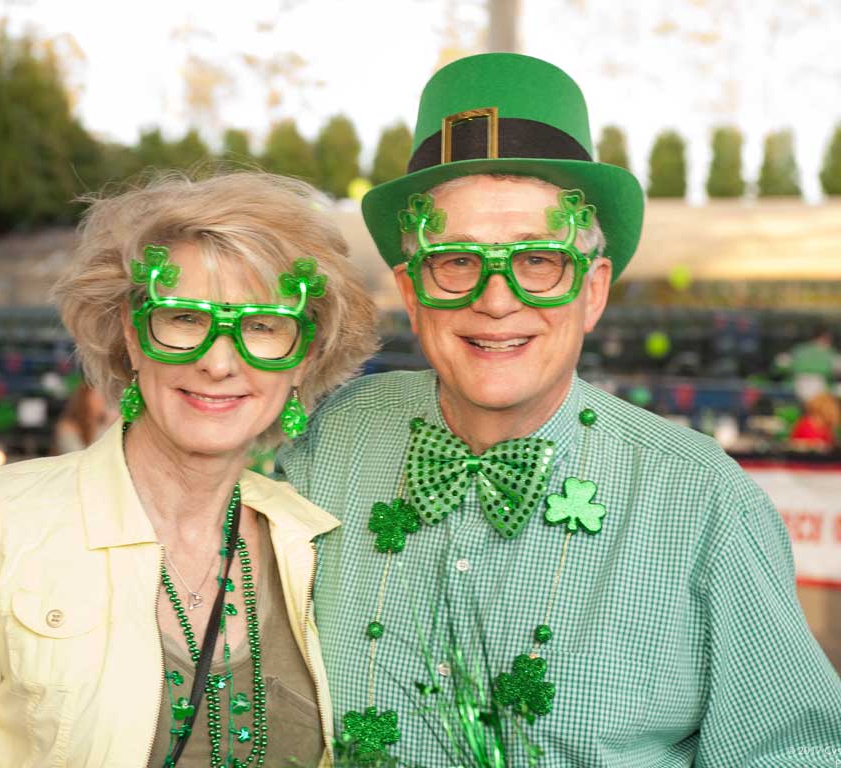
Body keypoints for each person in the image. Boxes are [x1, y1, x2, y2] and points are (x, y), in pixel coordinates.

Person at [279, 53, 841, 767]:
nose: (496, 298)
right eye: (456, 260)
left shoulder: (705, 505)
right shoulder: (328, 441)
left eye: (538, 259)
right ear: (412, 290)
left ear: (593, 290)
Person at [0, 171, 378, 767]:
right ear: (132, 336)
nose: (219, 362)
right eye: (185, 319)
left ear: (305, 358)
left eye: (263, 326)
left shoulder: (317, 543)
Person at [52, 381, 118, 453]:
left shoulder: (105, 424)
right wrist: (105, 425)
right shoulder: (67, 427)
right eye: (101, 396)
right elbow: (82, 459)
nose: (106, 401)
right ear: (86, 397)